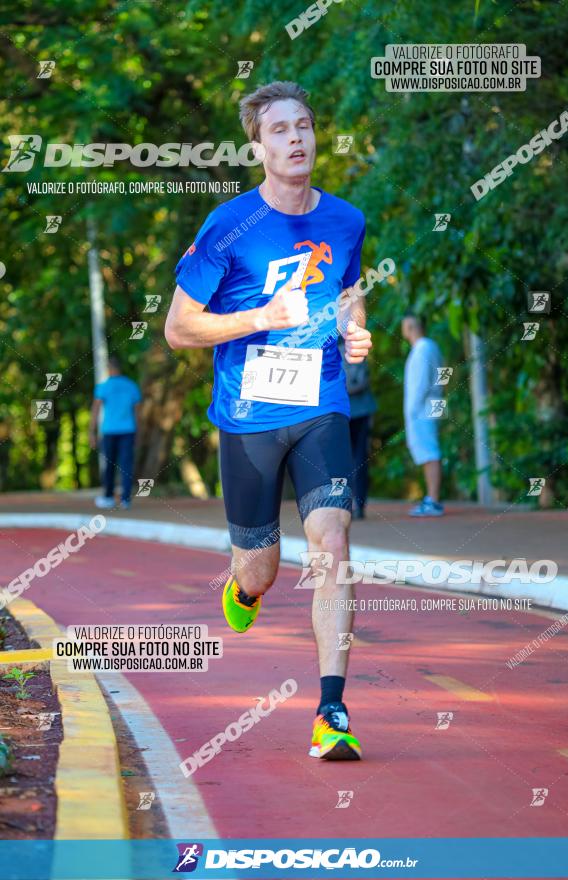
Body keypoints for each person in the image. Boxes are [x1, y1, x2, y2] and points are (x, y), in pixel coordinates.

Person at [165, 81, 372, 761]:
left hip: (321, 403)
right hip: (249, 413)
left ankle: (331, 711)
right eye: (279, 129)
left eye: (304, 126)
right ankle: (242, 586)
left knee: (333, 544)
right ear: (257, 145)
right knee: (261, 569)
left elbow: (348, 289)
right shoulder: (227, 225)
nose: (296, 139)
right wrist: (257, 318)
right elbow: (178, 328)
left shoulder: (346, 219)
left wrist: (355, 329)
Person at [401, 314, 444, 517]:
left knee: (429, 451)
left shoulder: (422, 349)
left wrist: (412, 411)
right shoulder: (431, 346)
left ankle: (433, 499)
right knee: (429, 450)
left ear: (409, 327)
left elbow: (420, 384)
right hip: (432, 403)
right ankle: (432, 498)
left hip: (422, 408)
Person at [90, 355, 142, 510]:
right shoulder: (131, 386)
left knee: (109, 465)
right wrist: (138, 432)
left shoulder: (103, 387)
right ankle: (126, 500)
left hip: (109, 431)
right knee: (126, 465)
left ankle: (108, 497)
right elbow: (137, 412)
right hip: (128, 430)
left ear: (109, 369)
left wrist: (91, 432)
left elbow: (95, 410)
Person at [338, 336, 377, 519]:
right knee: (355, 458)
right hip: (351, 411)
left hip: (352, 412)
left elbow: (361, 382)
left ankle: (355, 503)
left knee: (353, 459)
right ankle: (354, 504)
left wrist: (341, 388)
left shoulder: (346, 351)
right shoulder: (354, 349)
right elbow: (361, 381)